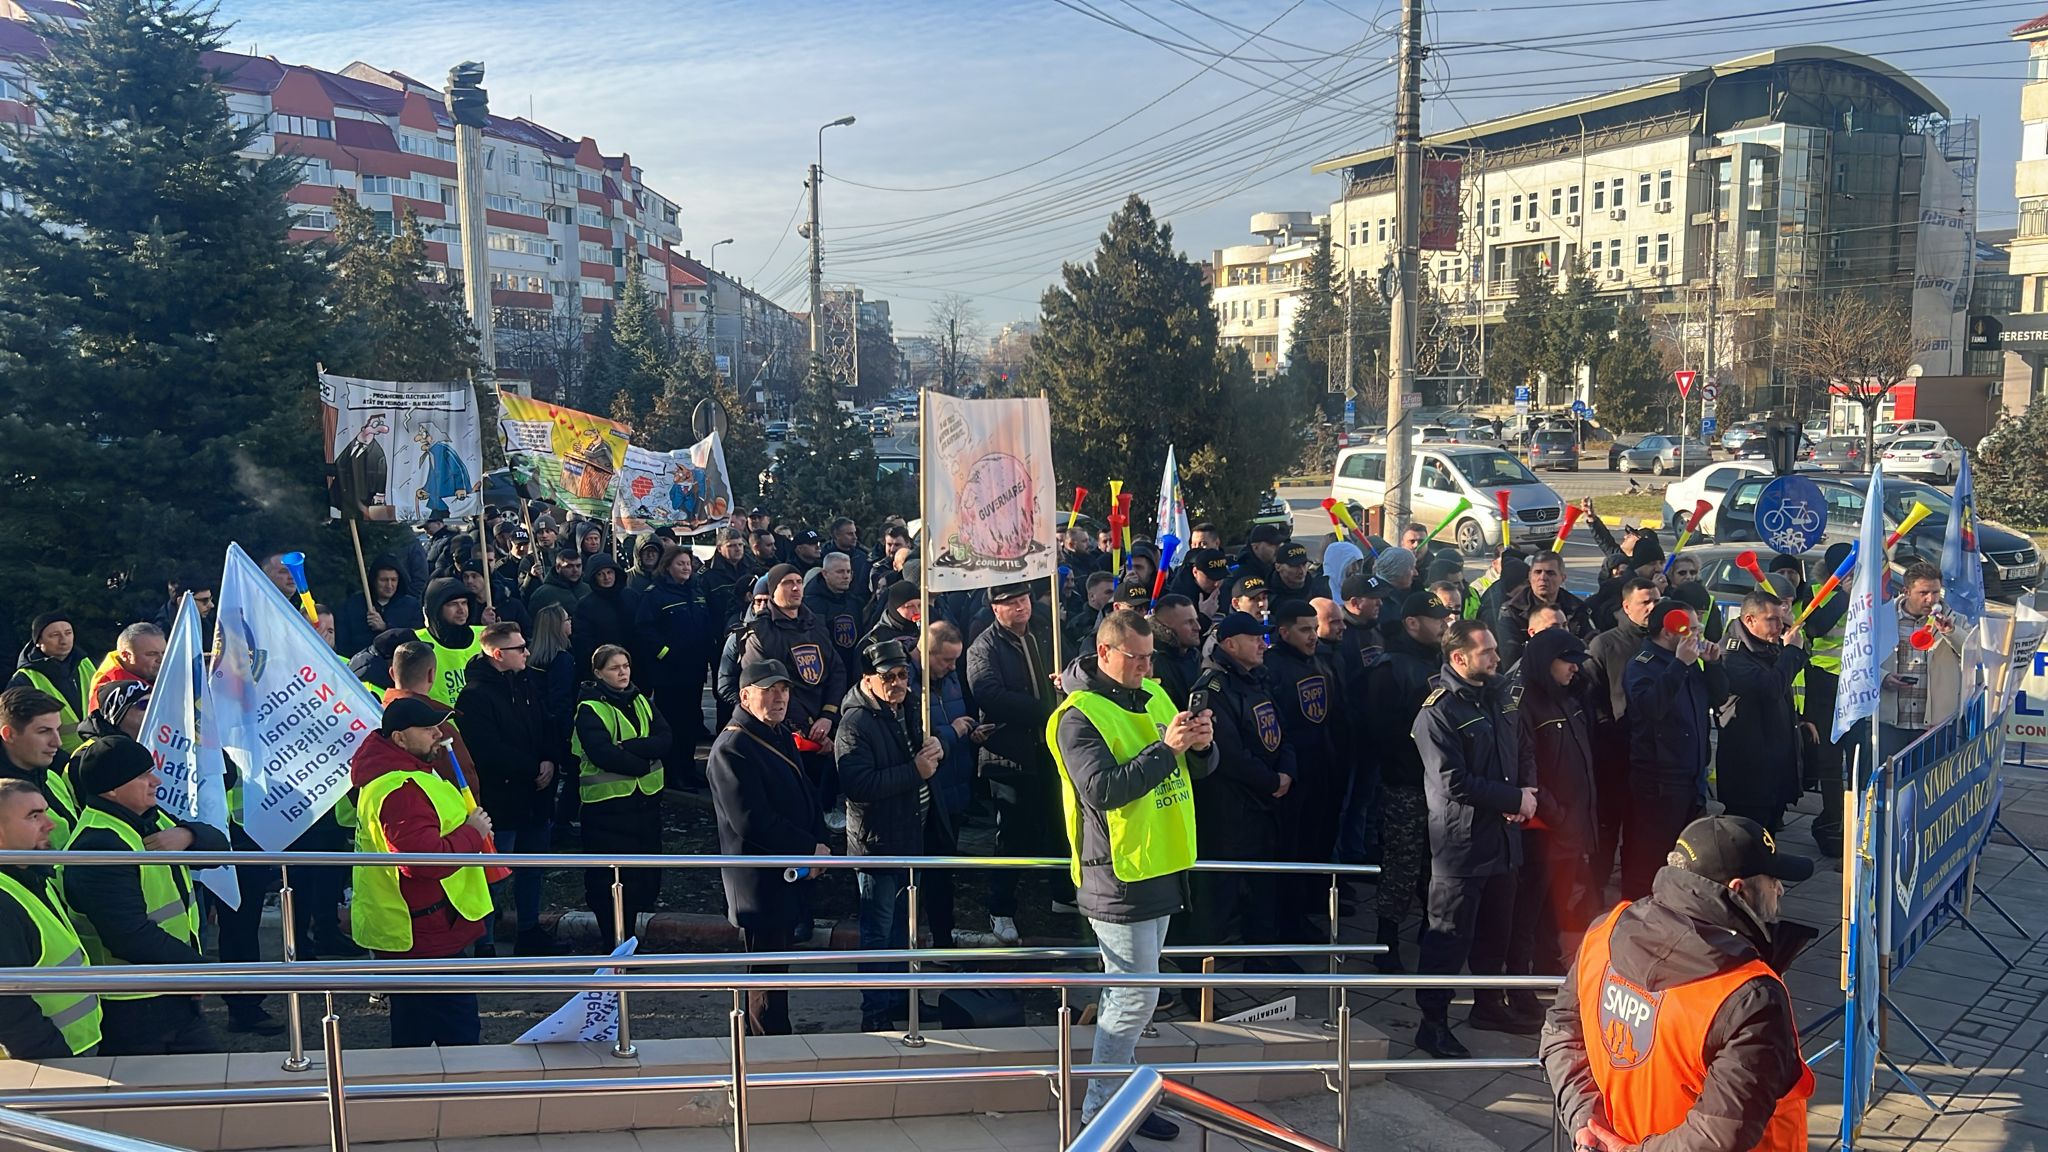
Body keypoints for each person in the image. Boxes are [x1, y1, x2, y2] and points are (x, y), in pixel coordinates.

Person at [1541, 815, 1816, 1152]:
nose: (1780, 889)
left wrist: (1585, 1119)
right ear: (1738, 891)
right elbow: (1721, 1134)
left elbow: (1560, 1032)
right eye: (1772, 880)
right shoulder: (1749, 995)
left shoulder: (1605, 931)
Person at [1050, 609, 1213, 1144]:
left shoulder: (1155, 695)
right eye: (1135, 658)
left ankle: (1126, 1101)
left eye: (1150, 657)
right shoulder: (1077, 715)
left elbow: (1197, 770)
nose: (1146, 667)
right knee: (1133, 998)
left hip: (1160, 864)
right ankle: (1101, 1113)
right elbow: (1102, 789)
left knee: (1137, 996)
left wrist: (1202, 744)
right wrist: (1167, 748)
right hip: (1116, 873)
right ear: (1104, 653)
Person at [1411, 620, 1537, 1058]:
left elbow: (1523, 749)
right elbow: (1451, 781)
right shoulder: (1438, 712)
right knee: (1448, 936)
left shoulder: (1501, 696)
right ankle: (1433, 1022)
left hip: (1503, 838)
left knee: (1495, 932)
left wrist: (1523, 795)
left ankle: (1487, 1003)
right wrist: (1512, 796)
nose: (1497, 658)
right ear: (1459, 658)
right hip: (1462, 845)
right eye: (1487, 652)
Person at [63, 736, 224, 1056]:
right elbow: (128, 936)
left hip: (168, 991)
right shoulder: (98, 845)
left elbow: (219, 851)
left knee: (205, 1089)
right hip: (134, 1007)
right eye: (143, 775)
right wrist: (195, 971)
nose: (156, 780)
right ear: (112, 789)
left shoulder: (148, 818)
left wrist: (189, 834)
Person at [348, 696, 494, 1048]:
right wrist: (472, 832)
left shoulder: (405, 777)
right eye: (427, 728)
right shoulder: (401, 788)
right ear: (400, 738)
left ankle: (415, 1097)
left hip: (422, 925)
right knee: (454, 1036)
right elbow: (423, 860)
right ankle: (445, 1100)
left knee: (417, 1031)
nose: (437, 734)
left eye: (438, 726)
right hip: (424, 931)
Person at [706, 660, 832, 1036]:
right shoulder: (732, 747)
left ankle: (773, 1041)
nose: (780, 698)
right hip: (758, 881)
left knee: (777, 967)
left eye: (784, 690)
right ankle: (766, 1049)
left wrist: (819, 841)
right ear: (745, 696)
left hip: (785, 872)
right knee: (765, 976)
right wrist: (809, 847)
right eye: (769, 690)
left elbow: (805, 794)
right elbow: (751, 820)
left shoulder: (774, 732)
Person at [835, 638, 947, 1032]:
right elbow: (859, 785)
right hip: (877, 843)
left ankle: (902, 998)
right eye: (889, 677)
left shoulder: (906, 708)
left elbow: (919, 756)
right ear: (868, 680)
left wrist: (935, 747)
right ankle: (876, 1010)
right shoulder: (855, 723)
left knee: (905, 927)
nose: (899, 683)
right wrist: (915, 770)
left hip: (909, 835)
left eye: (904, 675)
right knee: (878, 931)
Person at [1182, 612, 1292, 987]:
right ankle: (1201, 983)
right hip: (1229, 810)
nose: (1263, 644)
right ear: (1230, 645)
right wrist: (1270, 780)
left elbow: (1281, 728)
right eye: (1254, 638)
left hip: (1264, 804)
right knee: (1219, 898)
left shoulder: (1258, 676)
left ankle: (1264, 961)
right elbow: (1225, 753)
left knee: (1265, 887)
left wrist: (1286, 772)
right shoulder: (1212, 687)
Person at [966, 582, 1067, 944]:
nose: (1021, 607)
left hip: (1050, 750)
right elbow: (989, 695)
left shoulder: (1045, 632)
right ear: (995, 608)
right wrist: (1048, 709)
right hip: (1008, 755)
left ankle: (1064, 894)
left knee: (1060, 823)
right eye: (1010, 602)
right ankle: (1001, 908)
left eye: (1023, 599)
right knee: (1012, 835)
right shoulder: (984, 646)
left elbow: (1067, 669)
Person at [1360, 593, 1450, 971]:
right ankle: (1387, 940)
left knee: (1435, 863)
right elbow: (1378, 730)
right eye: (1436, 618)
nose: (1444, 624)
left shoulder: (1438, 660)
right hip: (1405, 782)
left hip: (1437, 782)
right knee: (1402, 863)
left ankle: (1430, 929)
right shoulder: (1390, 668)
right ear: (1412, 622)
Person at [455, 622, 557, 955]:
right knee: (494, 877)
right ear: (498, 654)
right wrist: (531, 767)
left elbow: (545, 724)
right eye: (520, 648)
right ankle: (484, 942)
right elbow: (486, 749)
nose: (527, 652)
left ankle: (529, 931)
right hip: (502, 801)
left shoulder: (527, 682)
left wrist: (549, 759)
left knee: (533, 871)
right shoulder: (474, 696)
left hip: (534, 797)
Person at [1508, 627, 1597, 989]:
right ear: (1546, 662)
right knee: (1529, 913)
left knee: (1552, 911)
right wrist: (1559, 817)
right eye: (1568, 661)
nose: (1575, 669)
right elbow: (1526, 769)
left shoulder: (1566, 696)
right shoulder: (1523, 703)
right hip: (1544, 830)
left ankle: (1546, 972)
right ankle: (1518, 982)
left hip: (1569, 827)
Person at [1620, 601, 1724, 900]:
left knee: (1688, 857)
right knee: (1650, 858)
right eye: (1690, 629)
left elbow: (1718, 697)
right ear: (1670, 631)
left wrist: (1714, 665)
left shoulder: (1689, 662)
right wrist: (1679, 665)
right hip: (1659, 781)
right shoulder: (1643, 664)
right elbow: (1651, 708)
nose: (1697, 634)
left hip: (1692, 776)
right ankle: (1636, 914)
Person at [573, 644, 672, 944]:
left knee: (640, 879)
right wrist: (642, 763)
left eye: (626, 666)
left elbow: (665, 738)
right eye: (615, 667)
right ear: (599, 673)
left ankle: (629, 942)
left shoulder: (640, 699)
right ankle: (614, 944)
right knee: (610, 882)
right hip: (607, 810)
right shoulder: (589, 707)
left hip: (643, 805)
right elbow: (602, 753)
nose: (623, 672)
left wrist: (629, 748)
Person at [1261, 599, 1346, 943]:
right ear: (1284, 632)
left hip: (1324, 765)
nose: (1313, 636)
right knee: (1292, 847)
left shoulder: (1321, 660)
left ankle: (1315, 899)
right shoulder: (1273, 667)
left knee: (1319, 838)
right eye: (1304, 629)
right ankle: (1289, 919)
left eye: (1314, 628)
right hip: (1295, 772)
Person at [0, 778, 100, 1057]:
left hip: (73, 1047)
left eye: (45, 811)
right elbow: (9, 1009)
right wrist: (57, 1060)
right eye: (34, 816)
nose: (50, 824)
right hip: (50, 1064)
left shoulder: (32, 875)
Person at [742, 564, 848, 820]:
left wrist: (828, 717)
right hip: (789, 729)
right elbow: (768, 686)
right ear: (773, 589)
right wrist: (808, 728)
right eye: (788, 583)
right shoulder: (760, 633)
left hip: (824, 721)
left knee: (822, 796)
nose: (796, 588)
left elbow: (836, 671)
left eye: (799, 581)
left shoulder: (815, 623)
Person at [1581, 578, 1657, 892]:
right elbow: (1591, 695)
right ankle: (1592, 897)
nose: (1653, 607)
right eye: (1645, 602)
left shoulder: (1662, 642)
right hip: (1614, 755)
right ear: (1627, 606)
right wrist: (1608, 729)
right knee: (1607, 831)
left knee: (1641, 835)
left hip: (1650, 756)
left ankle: (1633, 897)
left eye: (1656, 600)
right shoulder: (1605, 644)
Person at [1717, 590, 1807, 833]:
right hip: (1749, 770)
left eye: (1780, 619)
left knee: (1769, 838)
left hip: (1775, 765)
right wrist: (1790, 652)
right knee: (1748, 837)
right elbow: (1770, 688)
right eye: (1771, 620)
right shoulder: (1732, 653)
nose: (1778, 626)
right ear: (1749, 620)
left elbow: (1791, 672)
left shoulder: (1767, 644)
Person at [636, 545, 716, 768]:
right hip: (669, 675)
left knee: (690, 722)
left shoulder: (696, 592)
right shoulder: (655, 595)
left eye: (688, 564)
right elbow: (645, 629)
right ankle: (673, 771)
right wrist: (666, 654)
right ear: (668, 566)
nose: (685, 568)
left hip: (695, 671)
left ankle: (688, 768)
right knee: (672, 723)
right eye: (680, 563)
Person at [1881, 562, 1962, 759]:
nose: (1931, 599)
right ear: (1906, 591)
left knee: (1927, 784)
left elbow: (1974, 653)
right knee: (1888, 783)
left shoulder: (1953, 619)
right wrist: (1884, 678)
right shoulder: (1884, 618)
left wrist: (1951, 632)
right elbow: (1863, 660)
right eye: (1923, 593)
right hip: (1890, 722)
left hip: (1933, 724)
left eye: (1936, 592)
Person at [0, 688, 82, 849]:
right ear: (9, 734)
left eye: (57, 730)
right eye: (44, 731)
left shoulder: (51, 776)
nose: (57, 742)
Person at [10, 614, 95, 754]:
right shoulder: (25, 678)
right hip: (54, 757)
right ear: (38, 641)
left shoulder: (85, 663)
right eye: (55, 635)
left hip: (94, 751)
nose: (63, 640)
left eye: (68, 633)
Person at [1497, 552, 1592, 669]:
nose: (1542, 578)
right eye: (1537, 572)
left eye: (1550, 573)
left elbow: (1590, 643)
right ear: (1530, 576)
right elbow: (1510, 657)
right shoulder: (1511, 611)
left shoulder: (1577, 608)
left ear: (1563, 578)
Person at [337, 557, 425, 657]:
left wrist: (386, 627)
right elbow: (344, 641)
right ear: (374, 581)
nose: (389, 585)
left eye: (394, 580)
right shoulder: (354, 605)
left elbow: (416, 640)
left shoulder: (411, 606)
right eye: (383, 580)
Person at [415, 577, 482, 705]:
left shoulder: (484, 636)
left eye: (464, 603)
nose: (461, 610)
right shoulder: (417, 642)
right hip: (439, 723)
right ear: (436, 609)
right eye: (452, 604)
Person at [572, 553, 638, 674]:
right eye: (600, 574)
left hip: (635, 662)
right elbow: (583, 641)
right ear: (593, 577)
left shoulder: (631, 596)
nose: (606, 577)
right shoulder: (585, 605)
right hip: (604, 666)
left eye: (609, 572)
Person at [805, 551, 867, 664]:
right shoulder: (810, 604)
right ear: (825, 574)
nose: (846, 576)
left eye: (848, 571)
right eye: (840, 572)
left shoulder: (855, 601)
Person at [86, 623, 164, 704]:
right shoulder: (109, 687)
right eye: (151, 654)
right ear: (126, 655)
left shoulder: (147, 671)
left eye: (164, 652)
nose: (161, 659)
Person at [1148, 594, 1203, 708]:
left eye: (1196, 620)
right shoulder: (1153, 662)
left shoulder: (1194, 655)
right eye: (1188, 622)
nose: (1198, 627)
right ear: (1166, 627)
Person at [526, 549, 590, 620]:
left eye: (578, 566)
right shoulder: (543, 594)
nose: (575, 570)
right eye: (569, 566)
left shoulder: (588, 590)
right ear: (558, 568)